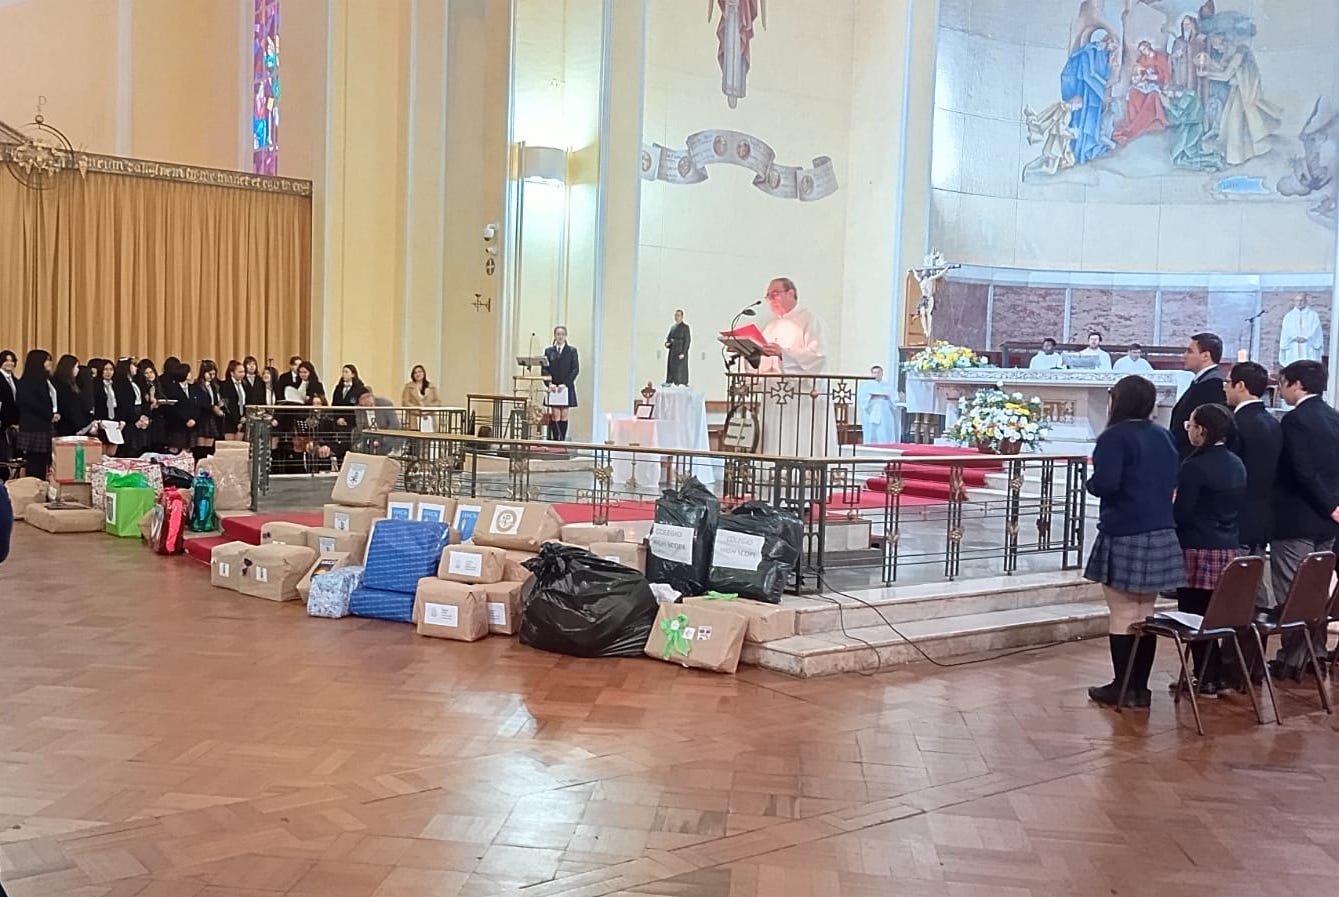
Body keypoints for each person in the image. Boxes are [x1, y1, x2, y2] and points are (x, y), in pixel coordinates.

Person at [1084, 375, 1183, 709]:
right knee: (1145, 613)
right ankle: (1139, 688)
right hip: (1161, 529)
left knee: (1123, 613)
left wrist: (1091, 484)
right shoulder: (1163, 435)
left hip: (1125, 529)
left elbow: (1107, 483)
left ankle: (1122, 687)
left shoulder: (1114, 436)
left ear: (1119, 400)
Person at [1268, 359, 1339, 678]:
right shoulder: (1333, 416)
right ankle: (1315, 653)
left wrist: (1328, 505)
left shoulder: (1295, 420)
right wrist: (1333, 507)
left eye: (1283, 382)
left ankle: (1294, 659)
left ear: (1297, 384)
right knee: (1316, 589)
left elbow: (1303, 471)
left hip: (1297, 517)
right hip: (1327, 521)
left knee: (1293, 591)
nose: (1281, 389)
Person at [1172, 403, 1247, 696]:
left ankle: (1205, 677)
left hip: (1197, 548)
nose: (1188, 430)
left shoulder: (1195, 466)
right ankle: (1215, 674)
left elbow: (1182, 513)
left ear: (1202, 430)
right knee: (1214, 617)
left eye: (1190, 425)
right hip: (1228, 548)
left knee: (1193, 616)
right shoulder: (1236, 462)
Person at [747, 277, 837, 456]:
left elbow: (817, 356)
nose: (771, 299)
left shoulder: (810, 320)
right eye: (768, 296)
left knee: (799, 441)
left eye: (775, 294)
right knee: (774, 442)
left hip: (802, 399)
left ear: (791, 293)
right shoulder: (771, 326)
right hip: (774, 395)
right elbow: (763, 363)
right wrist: (747, 351)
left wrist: (783, 354)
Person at [1061, 30, 1116, 164]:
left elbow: (1104, 74)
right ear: (1104, 40)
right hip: (1086, 91)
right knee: (1084, 119)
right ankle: (1082, 151)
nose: (1113, 47)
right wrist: (1103, 88)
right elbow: (1088, 74)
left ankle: (1091, 149)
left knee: (1093, 120)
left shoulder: (1104, 54)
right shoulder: (1088, 52)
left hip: (1095, 92)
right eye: (1112, 43)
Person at [1169, 332, 1226, 459]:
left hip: (1195, 456)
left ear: (1205, 355)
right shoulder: (1202, 381)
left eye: (1190, 351)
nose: (1184, 356)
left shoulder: (1212, 384)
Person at [15, 349, 59, 480]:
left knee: (44, 462)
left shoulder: (47, 379)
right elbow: (31, 404)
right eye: (47, 360)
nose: (50, 363)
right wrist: (49, 415)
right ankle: (34, 486)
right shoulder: (27, 381)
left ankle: (41, 485)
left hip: (45, 426)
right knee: (35, 463)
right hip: (34, 427)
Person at [544, 326, 579, 441]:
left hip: (566, 387)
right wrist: (550, 384)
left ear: (566, 336)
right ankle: (555, 440)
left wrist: (565, 384)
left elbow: (575, 369)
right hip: (553, 387)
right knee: (555, 414)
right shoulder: (549, 351)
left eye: (562, 334)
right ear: (554, 336)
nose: (560, 336)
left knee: (564, 414)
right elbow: (544, 369)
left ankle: (562, 440)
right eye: (558, 334)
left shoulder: (572, 351)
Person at [112, 358, 151, 457]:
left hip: (139, 413)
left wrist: (144, 416)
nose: (136, 368)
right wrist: (136, 419)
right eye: (133, 365)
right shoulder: (120, 382)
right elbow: (125, 403)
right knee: (130, 448)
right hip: (130, 418)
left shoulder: (135, 381)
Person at [189, 359, 224, 460]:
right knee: (200, 446)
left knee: (209, 447)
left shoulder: (214, 386)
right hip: (201, 417)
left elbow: (214, 400)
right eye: (210, 374)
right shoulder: (197, 386)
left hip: (211, 418)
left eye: (214, 374)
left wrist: (218, 405)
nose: (212, 377)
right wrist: (212, 407)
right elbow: (199, 402)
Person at [159, 358, 196, 454]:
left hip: (190, 425)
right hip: (177, 425)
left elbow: (196, 405)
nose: (191, 374)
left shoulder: (193, 388)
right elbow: (172, 408)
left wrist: (193, 418)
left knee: (187, 451)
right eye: (189, 372)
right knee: (174, 450)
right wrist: (185, 419)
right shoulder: (172, 389)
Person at [1278, 295, 1324, 367]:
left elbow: (1316, 330)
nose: (1299, 303)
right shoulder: (1289, 316)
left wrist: (1306, 337)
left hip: (1308, 345)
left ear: (1305, 301)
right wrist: (1294, 337)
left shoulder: (1313, 315)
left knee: (1308, 366)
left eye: (1301, 300)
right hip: (1293, 345)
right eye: (1297, 301)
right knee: (1293, 366)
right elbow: (1286, 331)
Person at [52, 354, 91, 437]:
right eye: (76, 367)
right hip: (66, 426)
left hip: (71, 425)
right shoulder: (63, 385)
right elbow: (70, 408)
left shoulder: (71, 383)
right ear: (70, 368)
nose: (78, 370)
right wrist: (81, 425)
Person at [858, 365, 898, 445]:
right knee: (872, 430)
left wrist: (887, 397)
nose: (876, 374)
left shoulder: (888, 385)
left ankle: (886, 445)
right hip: (871, 410)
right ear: (872, 374)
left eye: (878, 372)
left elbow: (894, 399)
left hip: (885, 411)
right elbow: (862, 399)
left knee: (884, 430)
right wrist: (871, 397)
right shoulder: (866, 386)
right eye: (874, 373)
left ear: (882, 373)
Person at [220, 360, 249, 440]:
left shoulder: (245, 384)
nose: (243, 374)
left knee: (239, 444)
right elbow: (228, 405)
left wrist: (244, 417)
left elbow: (247, 401)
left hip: (243, 419)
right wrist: (237, 421)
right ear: (232, 373)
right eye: (240, 372)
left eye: (243, 371)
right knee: (230, 445)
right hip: (230, 419)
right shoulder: (225, 385)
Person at [0, 349, 19, 470]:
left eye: (12, 361)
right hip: (2, 421)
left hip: (13, 422)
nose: (10, 363)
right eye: (6, 361)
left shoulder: (15, 380)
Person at [665, 309, 691, 386]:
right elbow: (668, 339)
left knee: (680, 371)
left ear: (682, 317)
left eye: (678, 315)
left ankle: (680, 383)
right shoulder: (673, 327)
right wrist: (667, 344)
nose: (676, 317)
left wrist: (683, 353)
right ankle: (670, 382)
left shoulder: (685, 327)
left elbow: (687, 341)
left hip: (680, 353)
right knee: (671, 369)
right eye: (675, 315)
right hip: (672, 352)